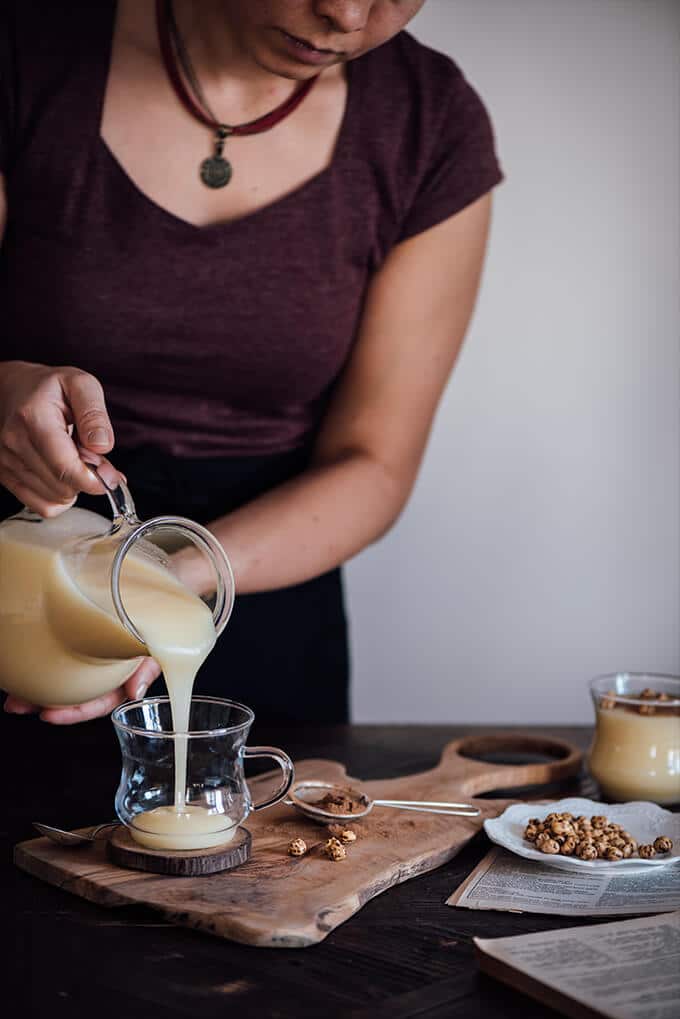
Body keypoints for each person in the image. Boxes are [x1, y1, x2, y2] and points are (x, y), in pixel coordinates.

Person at [0, 0, 502, 726]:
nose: (346, 13)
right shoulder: (29, 48)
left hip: (264, 593)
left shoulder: (430, 122)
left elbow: (375, 462)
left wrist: (166, 583)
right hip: (23, 570)